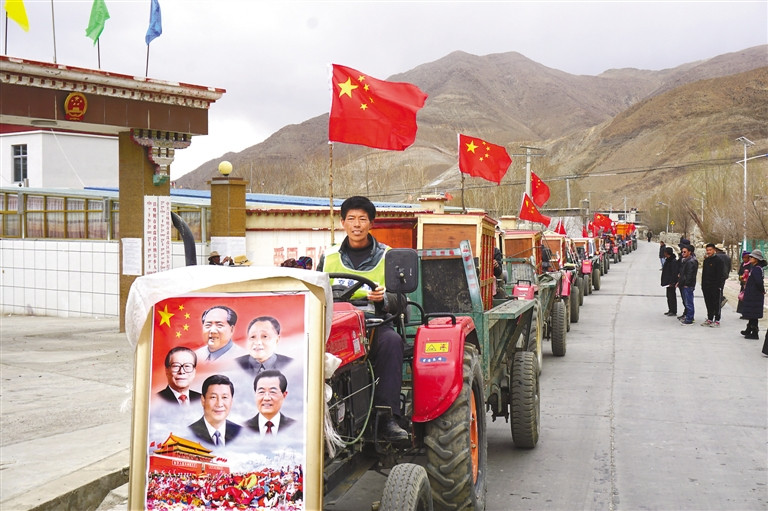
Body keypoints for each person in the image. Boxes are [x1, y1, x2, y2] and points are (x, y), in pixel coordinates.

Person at [317, 196, 408, 442]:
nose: (356, 225)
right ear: (342, 222)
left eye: (362, 219)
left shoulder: (388, 256)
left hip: (373, 322)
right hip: (335, 322)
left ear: (371, 223)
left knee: (392, 342)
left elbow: (401, 301)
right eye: (351, 219)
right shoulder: (328, 256)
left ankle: (387, 417)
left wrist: (384, 298)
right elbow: (315, 292)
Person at [188, 374, 242, 447]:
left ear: (231, 401)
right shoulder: (189, 432)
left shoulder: (240, 432)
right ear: (203, 400)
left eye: (224, 397)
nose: (219, 404)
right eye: (213, 397)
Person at [245, 369, 296, 436]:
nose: (266, 398)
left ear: (284, 395)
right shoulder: (244, 427)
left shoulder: (295, 427)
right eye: (261, 392)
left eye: (272, 392)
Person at [739, 249, 766, 340]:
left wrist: (762, 290)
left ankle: (754, 332)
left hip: (755, 295)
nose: (750, 258)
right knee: (751, 313)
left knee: (754, 314)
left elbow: (759, 282)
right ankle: (749, 329)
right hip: (752, 293)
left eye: (752, 257)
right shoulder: (755, 268)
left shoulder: (757, 269)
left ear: (757, 259)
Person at [701, 243, 725, 327]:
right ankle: (710, 318)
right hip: (706, 286)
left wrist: (719, 286)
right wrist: (703, 285)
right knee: (708, 302)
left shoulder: (719, 261)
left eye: (710, 250)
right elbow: (704, 274)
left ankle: (717, 319)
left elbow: (721, 274)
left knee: (716, 303)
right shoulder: (706, 261)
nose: (708, 252)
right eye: (707, 250)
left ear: (714, 250)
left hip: (715, 286)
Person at [677, 244, 698, 325]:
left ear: (690, 252)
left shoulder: (691, 262)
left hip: (688, 285)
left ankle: (689, 319)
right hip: (684, 284)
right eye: (682, 252)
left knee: (689, 303)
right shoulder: (685, 261)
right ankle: (688, 316)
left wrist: (687, 284)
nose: (683, 253)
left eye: (685, 252)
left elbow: (690, 275)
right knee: (686, 302)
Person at [661, 247, 679, 316]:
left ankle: (673, 311)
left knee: (672, 297)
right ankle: (670, 309)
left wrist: (672, 282)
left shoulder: (673, 261)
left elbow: (674, 273)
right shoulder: (668, 260)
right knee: (669, 296)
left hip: (671, 282)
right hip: (668, 282)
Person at [737, 250, 751, 318]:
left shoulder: (750, 265)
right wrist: (741, 277)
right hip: (743, 284)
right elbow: (740, 272)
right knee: (742, 298)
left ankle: (748, 313)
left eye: (746, 258)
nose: (745, 259)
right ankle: (743, 312)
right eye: (744, 258)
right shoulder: (743, 264)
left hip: (749, 285)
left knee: (747, 299)